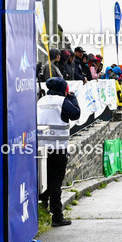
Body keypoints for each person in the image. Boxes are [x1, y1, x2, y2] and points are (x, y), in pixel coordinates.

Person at [37, 77, 81, 226]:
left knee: (43, 179)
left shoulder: (41, 101)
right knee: (56, 182)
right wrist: (73, 98)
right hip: (58, 148)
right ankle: (57, 216)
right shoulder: (61, 101)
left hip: (41, 148)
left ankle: (42, 209)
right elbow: (75, 114)